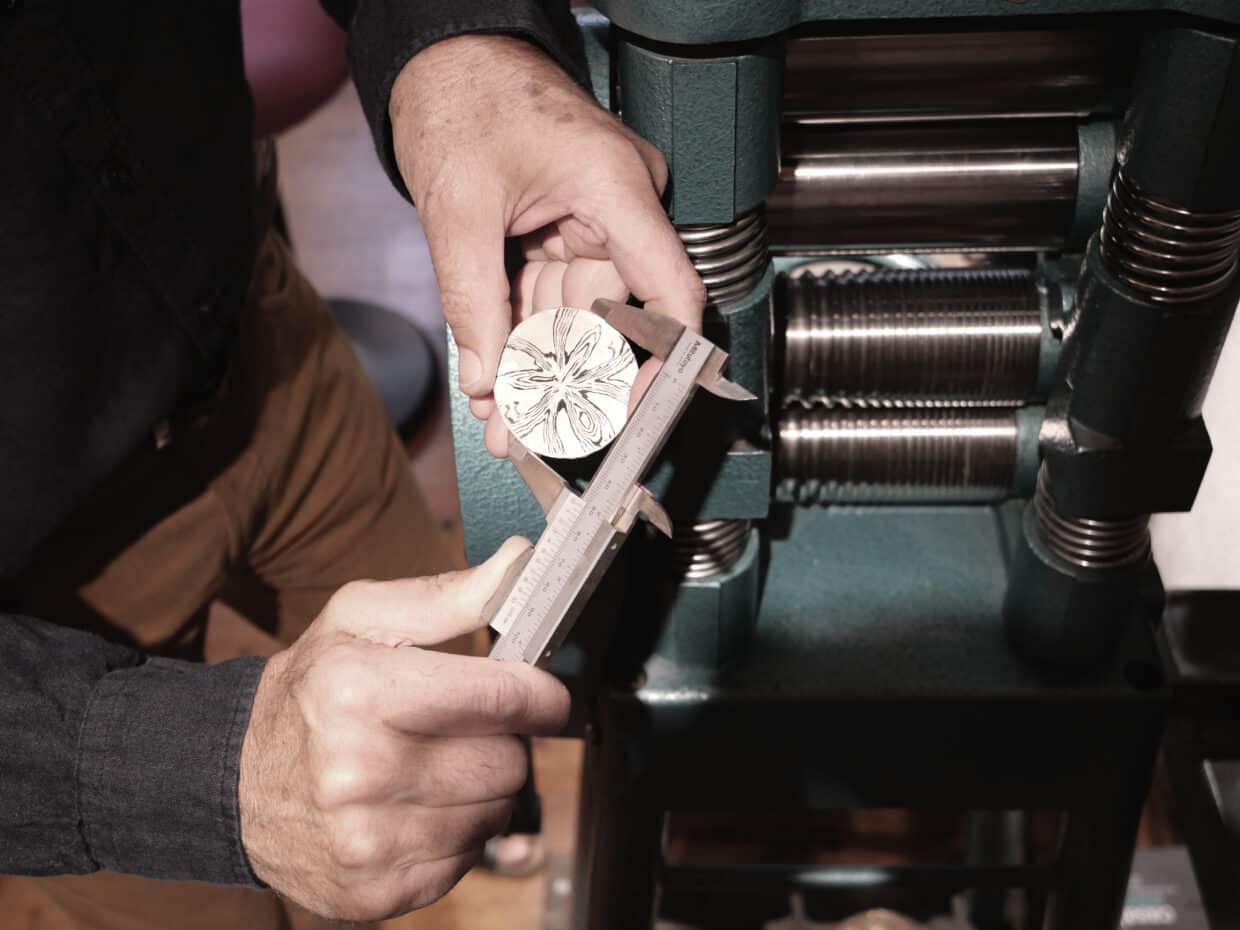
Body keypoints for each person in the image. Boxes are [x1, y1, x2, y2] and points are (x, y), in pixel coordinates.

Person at [0, 2, 705, 928]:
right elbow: (182, 781)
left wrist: (461, 47)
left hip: (257, 338)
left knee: (455, 720)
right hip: (39, 586)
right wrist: (181, 771)